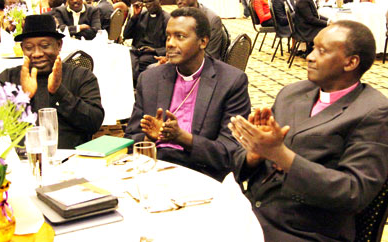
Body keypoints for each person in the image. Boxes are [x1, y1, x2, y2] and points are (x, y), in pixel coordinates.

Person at [229, 20, 388, 241]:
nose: (310, 56)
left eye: (322, 51)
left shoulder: (374, 111)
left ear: (351, 62)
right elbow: (241, 161)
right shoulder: (292, 93)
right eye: (313, 47)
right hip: (253, 210)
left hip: (306, 230)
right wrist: (254, 153)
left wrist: (280, 155)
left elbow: (354, 192)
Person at [124, 7, 251, 181]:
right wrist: (149, 138)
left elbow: (231, 153)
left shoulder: (231, 82)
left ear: (203, 42)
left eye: (180, 36)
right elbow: (130, 139)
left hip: (201, 174)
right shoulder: (149, 79)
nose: (170, 43)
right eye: (168, 36)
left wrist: (182, 137)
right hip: (154, 168)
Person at [0, 15, 104, 149]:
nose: (37, 53)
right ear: (22, 49)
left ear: (59, 45)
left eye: (45, 46)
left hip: (71, 161)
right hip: (19, 161)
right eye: (29, 47)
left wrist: (60, 91)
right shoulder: (7, 78)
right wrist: (22, 98)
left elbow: (94, 123)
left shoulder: (81, 76)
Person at [123, 0, 170, 86]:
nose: (148, 5)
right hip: (137, 51)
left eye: (150, 1)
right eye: (146, 2)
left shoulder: (167, 19)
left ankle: (137, 87)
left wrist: (154, 50)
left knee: (139, 63)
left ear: (159, 1)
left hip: (154, 53)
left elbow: (170, 45)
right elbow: (126, 35)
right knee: (124, 59)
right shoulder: (141, 15)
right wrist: (135, 17)